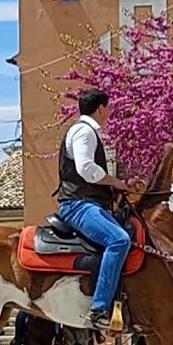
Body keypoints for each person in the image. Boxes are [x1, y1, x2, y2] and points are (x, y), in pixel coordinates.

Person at [53, 88, 131, 331]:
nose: (110, 113)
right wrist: (115, 182)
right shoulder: (84, 132)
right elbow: (86, 168)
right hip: (78, 204)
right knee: (119, 240)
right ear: (100, 108)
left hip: (88, 202)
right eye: (108, 108)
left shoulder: (85, 131)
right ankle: (99, 308)